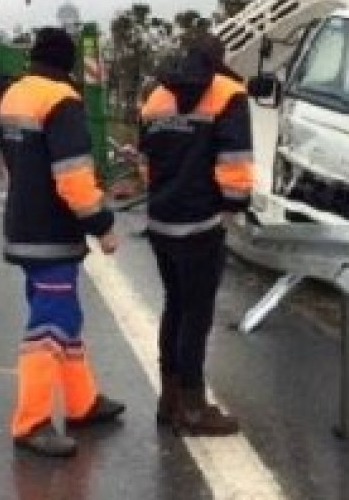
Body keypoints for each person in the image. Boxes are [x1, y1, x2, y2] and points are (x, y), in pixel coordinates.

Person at [0, 27, 124, 458]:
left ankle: (82, 402)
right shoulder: (61, 101)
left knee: (65, 317)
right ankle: (31, 422)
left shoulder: (15, 95)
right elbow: (73, 178)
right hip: (51, 232)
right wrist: (103, 225)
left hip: (24, 225)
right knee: (51, 323)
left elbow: (12, 165)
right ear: (68, 65)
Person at [138, 33, 254, 436]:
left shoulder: (156, 96)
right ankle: (192, 408)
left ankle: (168, 400)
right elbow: (234, 160)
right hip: (201, 224)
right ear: (219, 59)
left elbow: (146, 159)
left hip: (161, 220)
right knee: (197, 313)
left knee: (175, 306)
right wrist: (236, 207)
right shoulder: (228, 94)